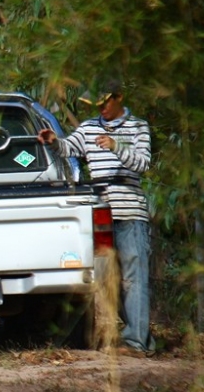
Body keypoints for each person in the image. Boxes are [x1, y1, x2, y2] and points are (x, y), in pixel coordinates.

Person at [38, 79, 155, 356]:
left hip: (130, 209)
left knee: (133, 275)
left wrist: (116, 146)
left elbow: (143, 163)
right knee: (106, 276)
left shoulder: (137, 127)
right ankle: (133, 336)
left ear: (119, 97)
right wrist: (54, 143)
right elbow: (70, 148)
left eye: (106, 102)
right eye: (97, 105)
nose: (102, 108)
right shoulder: (89, 127)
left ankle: (137, 341)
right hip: (101, 211)